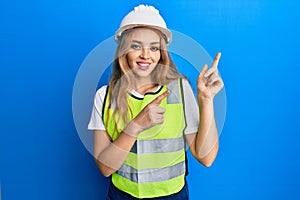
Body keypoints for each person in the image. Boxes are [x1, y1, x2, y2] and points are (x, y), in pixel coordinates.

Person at [88, 4, 224, 200]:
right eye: (136, 46)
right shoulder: (105, 96)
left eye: (154, 47)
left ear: (161, 53)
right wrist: (135, 126)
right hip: (122, 196)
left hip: (172, 196)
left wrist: (206, 99)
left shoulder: (180, 89)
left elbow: (206, 157)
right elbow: (105, 168)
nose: (146, 55)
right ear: (123, 50)